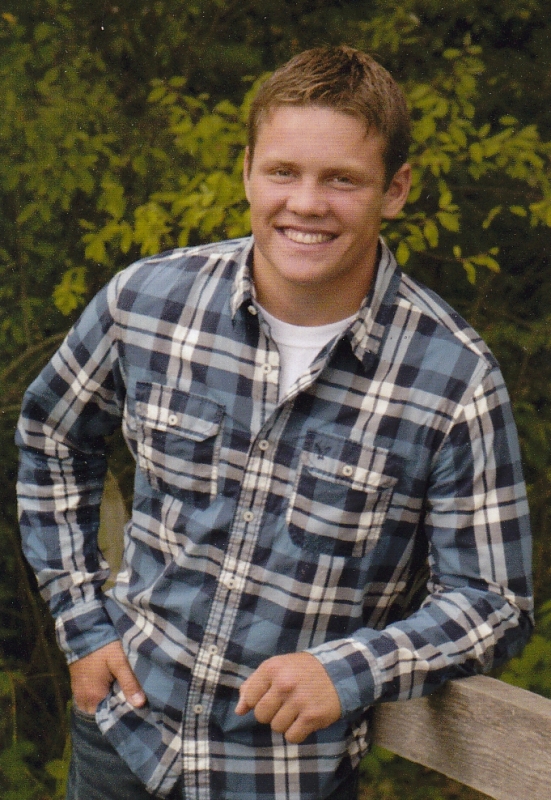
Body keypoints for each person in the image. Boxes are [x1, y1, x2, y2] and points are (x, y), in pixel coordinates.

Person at [16, 46, 533, 800]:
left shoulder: (454, 379)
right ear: (248, 173)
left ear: (394, 189)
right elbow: (52, 438)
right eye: (283, 172)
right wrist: (83, 623)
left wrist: (350, 669)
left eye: (341, 179)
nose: (306, 203)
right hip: (123, 738)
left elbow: (492, 601)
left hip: (285, 775)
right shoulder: (147, 303)